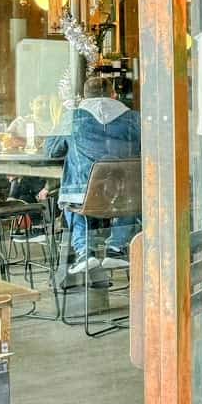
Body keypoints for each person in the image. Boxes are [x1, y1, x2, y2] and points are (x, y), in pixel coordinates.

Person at [47, 74, 141, 273]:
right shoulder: (134, 118)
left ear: (84, 97)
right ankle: (116, 248)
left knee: (74, 202)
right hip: (124, 195)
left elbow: (52, 150)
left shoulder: (73, 117)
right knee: (131, 193)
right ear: (113, 95)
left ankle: (84, 252)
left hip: (84, 195)